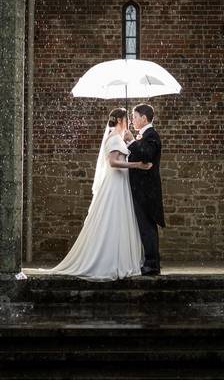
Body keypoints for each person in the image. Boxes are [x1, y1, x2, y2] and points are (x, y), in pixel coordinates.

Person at [43, 108, 152, 281]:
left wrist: (131, 141)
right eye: (127, 119)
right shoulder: (114, 137)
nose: (130, 122)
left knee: (121, 220)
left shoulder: (119, 137)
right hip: (115, 184)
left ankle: (120, 258)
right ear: (119, 120)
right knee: (112, 219)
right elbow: (113, 162)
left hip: (121, 183)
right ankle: (108, 261)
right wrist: (137, 165)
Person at [123, 103, 164, 275]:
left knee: (147, 227)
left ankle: (152, 264)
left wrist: (131, 141)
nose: (132, 119)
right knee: (144, 227)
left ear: (144, 118)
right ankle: (149, 261)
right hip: (141, 190)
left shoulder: (151, 135)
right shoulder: (144, 135)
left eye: (134, 116)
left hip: (147, 192)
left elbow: (147, 155)